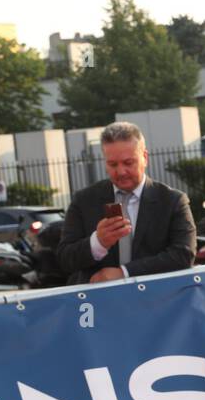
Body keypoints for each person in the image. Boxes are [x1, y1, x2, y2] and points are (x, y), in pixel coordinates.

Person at [55, 121, 196, 286]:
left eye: (128, 163)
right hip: (98, 303)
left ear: (144, 157)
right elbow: (64, 259)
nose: (121, 171)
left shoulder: (172, 201)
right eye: (112, 164)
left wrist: (125, 273)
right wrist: (98, 243)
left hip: (156, 301)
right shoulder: (84, 200)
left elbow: (183, 255)